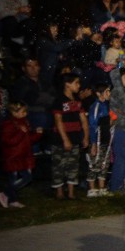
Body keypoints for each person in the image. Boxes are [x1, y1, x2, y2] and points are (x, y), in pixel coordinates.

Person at [52, 72, 89, 200]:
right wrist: (65, 139)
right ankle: (59, 191)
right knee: (59, 165)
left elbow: (83, 120)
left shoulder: (78, 100)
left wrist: (85, 137)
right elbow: (58, 121)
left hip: (75, 137)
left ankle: (71, 192)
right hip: (60, 139)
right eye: (76, 83)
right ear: (67, 84)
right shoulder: (59, 100)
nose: (79, 85)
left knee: (73, 165)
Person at [0, 101, 44, 208]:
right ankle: (8, 195)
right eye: (23, 111)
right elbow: (9, 141)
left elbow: (28, 139)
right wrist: (21, 132)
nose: (26, 113)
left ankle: (9, 197)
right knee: (15, 178)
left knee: (27, 177)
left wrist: (38, 134)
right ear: (14, 113)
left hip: (24, 155)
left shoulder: (25, 122)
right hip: (13, 156)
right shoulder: (8, 124)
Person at [86, 83, 113, 197]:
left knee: (104, 163)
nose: (109, 93)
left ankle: (102, 188)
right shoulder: (95, 107)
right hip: (97, 141)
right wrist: (93, 144)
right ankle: (92, 189)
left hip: (106, 140)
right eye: (107, 91)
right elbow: (93, 126)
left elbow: (108, 124)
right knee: (94, 163)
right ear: (98, 93)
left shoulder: (106, 106)